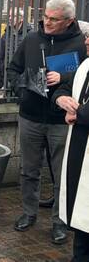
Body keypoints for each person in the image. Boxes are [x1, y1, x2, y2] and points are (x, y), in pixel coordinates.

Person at [7, 0, 87, 245]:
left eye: (54, 19)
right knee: (29, 170)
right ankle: (29, 213)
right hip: (30, 115)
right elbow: (12, 70)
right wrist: (25, 89)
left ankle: (60, 222)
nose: (47, 22)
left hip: (63, 120)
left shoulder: (81, 43)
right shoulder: (31, 38)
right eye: (45, 17)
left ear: (69, 21)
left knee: (61, 173)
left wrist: (62, 75)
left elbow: (85, 76)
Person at [52, 25, 89, 262]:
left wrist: (79, 115)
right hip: (79, 144)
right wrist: (61, 99)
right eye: (87, 37)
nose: (86, 41)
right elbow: (66, 88)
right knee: (81, 212)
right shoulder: (85, 65)